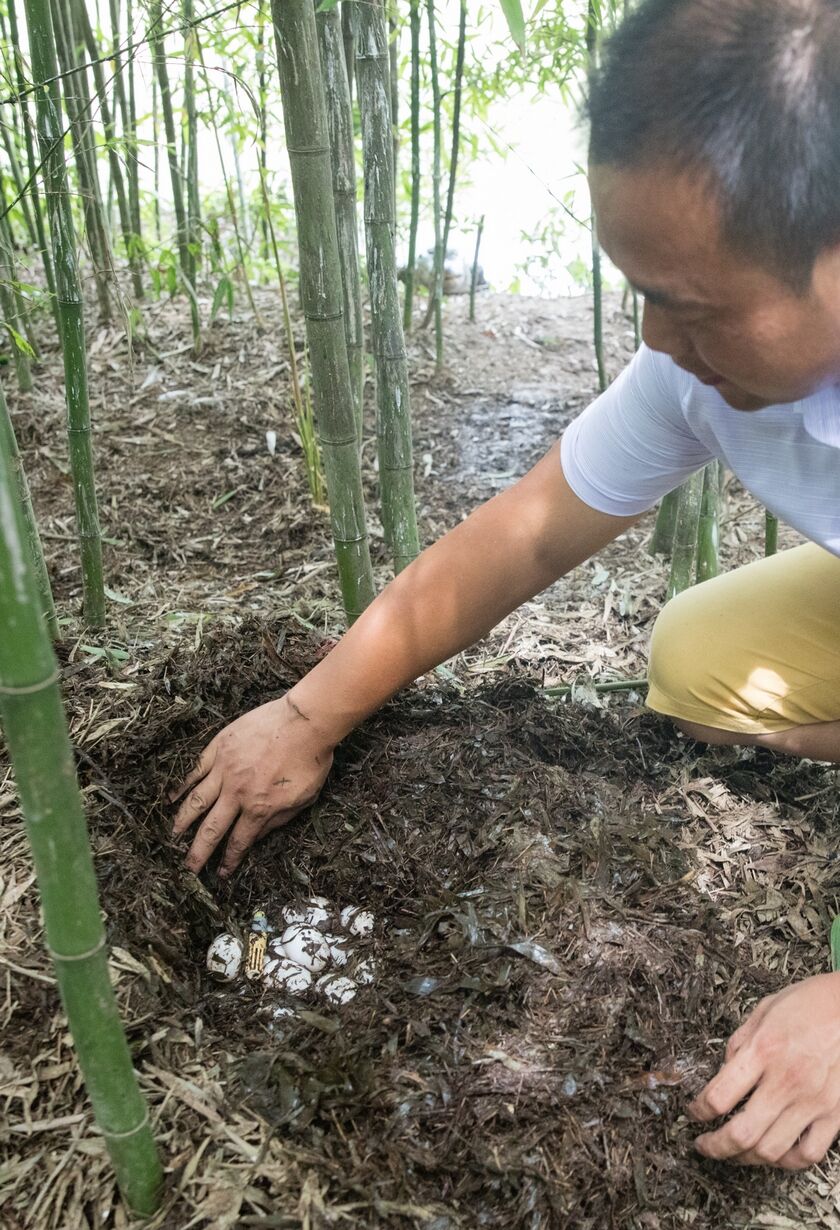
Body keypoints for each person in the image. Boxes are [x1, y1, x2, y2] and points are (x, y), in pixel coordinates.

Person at [172, 0, 840, 1174]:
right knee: (698, 660)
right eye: (638, 288)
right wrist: (310, 710)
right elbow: (522, 537)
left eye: (690, 303)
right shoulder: (692, 369)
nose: (653, 333)